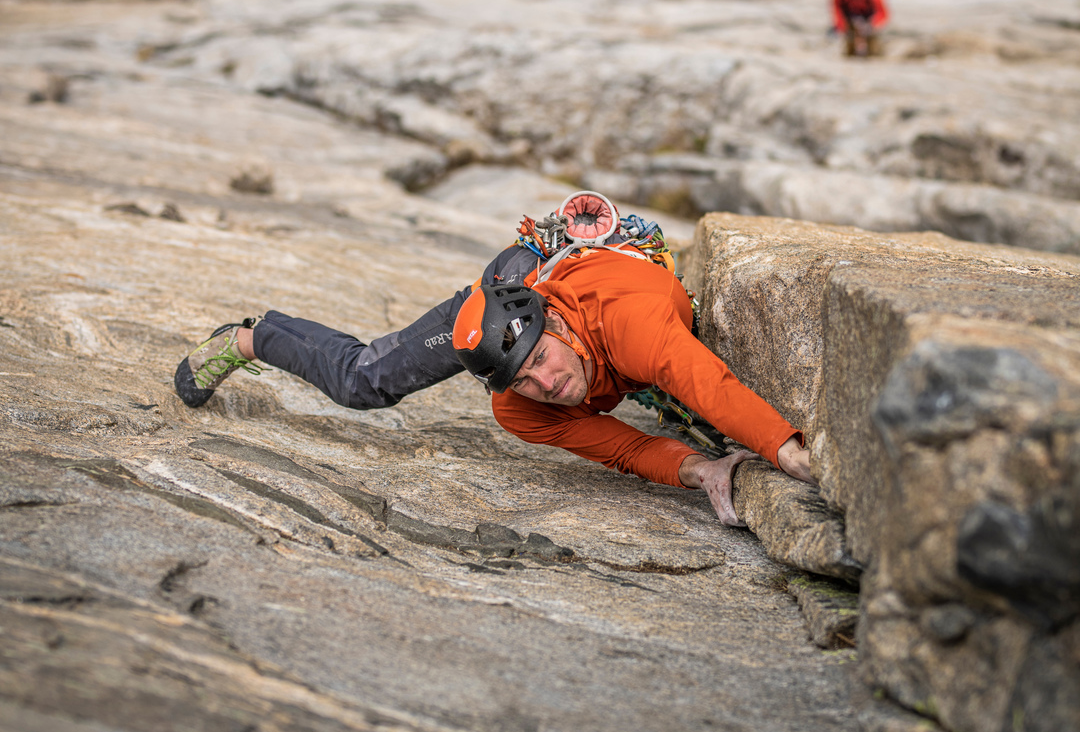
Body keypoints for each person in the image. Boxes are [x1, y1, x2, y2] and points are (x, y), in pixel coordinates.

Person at [174, 193, 812, 528]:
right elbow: (620, 448)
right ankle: (251, 338)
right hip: (503, 301)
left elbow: (707, 381)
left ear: (558, 324)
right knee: (362, 381)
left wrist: (784, 451)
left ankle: (582, 351)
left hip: (561, 290)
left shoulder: (631, 321)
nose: (549, 384)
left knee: (675, 389)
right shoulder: (518, 402)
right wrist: (698, 469)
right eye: (525, 379)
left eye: (541, 360)